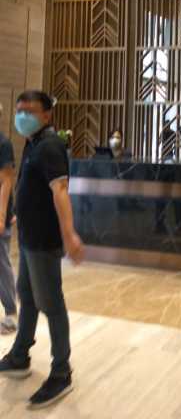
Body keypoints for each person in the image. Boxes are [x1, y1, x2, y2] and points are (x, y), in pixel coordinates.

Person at [0, 90, 84, 410]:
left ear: (47, 114)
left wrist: (69, 234)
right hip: (29, 237)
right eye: (19, 110)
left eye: (29, 111)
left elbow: (60, 190)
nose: (22, 116)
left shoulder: (50, 145)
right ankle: (20, 354)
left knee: (51, 303)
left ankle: (61, 371)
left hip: (44, 241)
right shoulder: (33, 142)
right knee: (28, 295)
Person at [0, 105, 17, 335]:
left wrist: (1, 215)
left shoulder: (3, 144)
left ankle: (11, 312)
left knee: (1, 263)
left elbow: (6, 181)